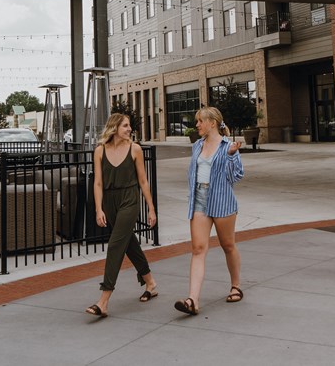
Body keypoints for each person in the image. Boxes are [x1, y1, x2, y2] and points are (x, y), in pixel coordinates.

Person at [85, 113, 158, 318]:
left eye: (129, 126)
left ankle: (104, 300)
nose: (129, 129)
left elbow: (143, 181)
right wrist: (99, 209)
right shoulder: (100, 150)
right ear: (114, 127)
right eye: (125, 126)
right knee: (129, 243)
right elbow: (97, 183)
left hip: (129, 199)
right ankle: (150, 283)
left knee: (116, 244)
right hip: (109, 202)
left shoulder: (135, 149)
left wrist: (151, 208)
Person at [174, 106, 244, 316]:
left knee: (228, 245)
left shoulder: (227, 146)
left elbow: (236, 177)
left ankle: (236, 285)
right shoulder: (196, 145)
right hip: (199, 201)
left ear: (212, 123)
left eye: (200, 121)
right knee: (198, 249)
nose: (197, 125)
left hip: (222, 200)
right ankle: (192, 300)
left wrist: (232, 155)